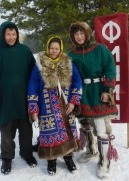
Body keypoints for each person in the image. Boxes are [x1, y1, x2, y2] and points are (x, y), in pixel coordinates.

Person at [0, 21, 37, 175]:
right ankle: (7, 158)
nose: (11, 37)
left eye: (14, 34)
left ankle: (26, 153)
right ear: (2, 34)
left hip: (23, 99)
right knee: (7, 133)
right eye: (8, 34)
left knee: (27, 130)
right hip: (4, 100)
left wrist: (36, 95)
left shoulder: (25, 51)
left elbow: (34, 75)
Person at [68, 21, 119, 180]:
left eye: (81, 33)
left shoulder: (100, 49)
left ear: (87, 33)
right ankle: (92, 150)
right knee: (85, 124)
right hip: (81, 92)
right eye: (76, 34)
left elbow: (110, 68)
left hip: (97, 92)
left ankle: (105, 162)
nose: (79, 36)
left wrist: (107, 90)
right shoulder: (71, 54)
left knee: (101, 129)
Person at [27, 37, 82, 176]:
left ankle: (68, 158)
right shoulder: (39, 65)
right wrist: (33, 107)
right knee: (49, 134)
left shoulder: (68, 64)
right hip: (47, 107)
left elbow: (77, 81)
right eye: (51, 48)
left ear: (61, 49)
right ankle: (51, 160)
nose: (54, 51)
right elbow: (32, 86)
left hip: (66, 107)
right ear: (47, 48)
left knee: (68, 132)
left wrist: (73, 101)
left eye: (56, 48)